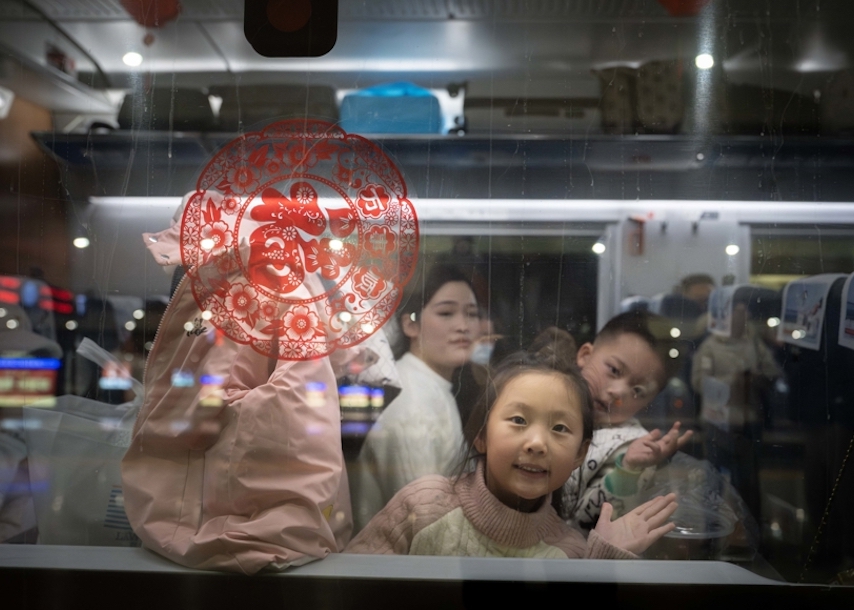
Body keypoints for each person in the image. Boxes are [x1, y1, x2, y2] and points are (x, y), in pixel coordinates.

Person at [346, 346, 678, 557]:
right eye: (518, 420)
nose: (537, 443)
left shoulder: (569, 552)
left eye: (560, 428)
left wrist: (603, 564)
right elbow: (353, 590)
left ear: (580, 453)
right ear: (481, 436)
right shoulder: (423, 506)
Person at [354, 264, 481, 531]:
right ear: (411, 324)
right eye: (446, 313)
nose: (463, 326)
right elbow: (423, 524)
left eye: (472, 314)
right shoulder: (415, 405)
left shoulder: (429, 388)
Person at [567, 310, 692, 529]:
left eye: (637, 390)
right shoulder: (546, 402)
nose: (618, 392)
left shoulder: (633, 448)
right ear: (585, 355)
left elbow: (585, 520)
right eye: (614, 370)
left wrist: (627, 471)